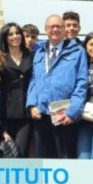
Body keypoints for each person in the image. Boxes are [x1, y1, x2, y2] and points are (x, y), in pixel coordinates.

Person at [26, 14, 88, 158]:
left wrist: (73, 112)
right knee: (43, 161)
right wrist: (32, 104)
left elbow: (82, 83)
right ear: (46, 30)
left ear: (64, 29)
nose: (55, 29)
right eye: (51, 27)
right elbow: (34, 80)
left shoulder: (78, 52)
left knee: (64, 161)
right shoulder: (39, 52)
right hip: (41, 115)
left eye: (59, 26)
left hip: (64, 116)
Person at [0, 23, 33, 158]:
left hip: (26, 114)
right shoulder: (0, 57)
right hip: (6, 113)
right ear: (5, 38)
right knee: (7, 153)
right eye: (10, 34)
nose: (15, 36)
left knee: (20, 153)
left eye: (17, 33)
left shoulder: (31, 56)